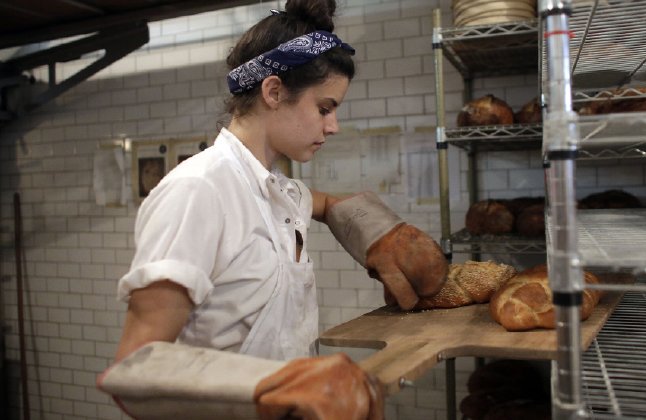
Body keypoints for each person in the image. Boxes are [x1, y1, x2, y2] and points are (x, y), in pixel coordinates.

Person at [97, 1, 448, 419]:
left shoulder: (278, 191)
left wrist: (376, 230)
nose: (333, 126)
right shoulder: (198, 191)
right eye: (325, 108)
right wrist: (275, 385)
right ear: (274, 92)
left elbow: (320, 202)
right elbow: (136, 366)